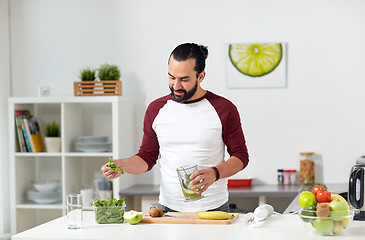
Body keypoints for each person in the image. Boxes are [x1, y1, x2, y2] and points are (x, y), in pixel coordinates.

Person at [101, 43, 249, 212]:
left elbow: (241, 156)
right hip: (168, 209)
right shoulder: (156, 109)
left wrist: (215, 173)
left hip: (213, 209)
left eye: (184, 79)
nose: (176, 86)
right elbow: (147, 157)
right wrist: (123, 165)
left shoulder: (223, 108)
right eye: (172, 77)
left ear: (201, 76)